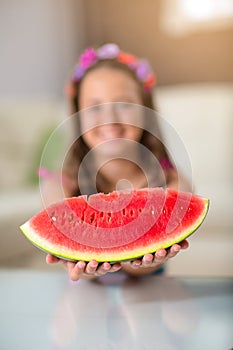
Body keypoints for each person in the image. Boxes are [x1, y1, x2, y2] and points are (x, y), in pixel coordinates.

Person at [43, 43, 190, 281]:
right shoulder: (60, 187)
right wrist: (82, 263)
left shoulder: (175, 184)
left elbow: (139, 267)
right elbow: (76, 265)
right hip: (85, 306)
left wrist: (143, 261)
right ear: (77, 115)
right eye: (95, 107)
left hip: (151, 303)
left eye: (124, 104)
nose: (109, 119)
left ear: (146, 111)